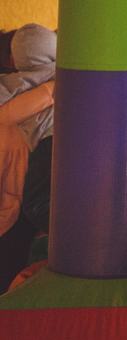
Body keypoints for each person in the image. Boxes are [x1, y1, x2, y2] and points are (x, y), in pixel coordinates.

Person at [0, 24, 56, 292]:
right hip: (18, 195)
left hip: (19, 195)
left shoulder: (19, 85)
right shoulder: (61, 77)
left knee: (35, 205)